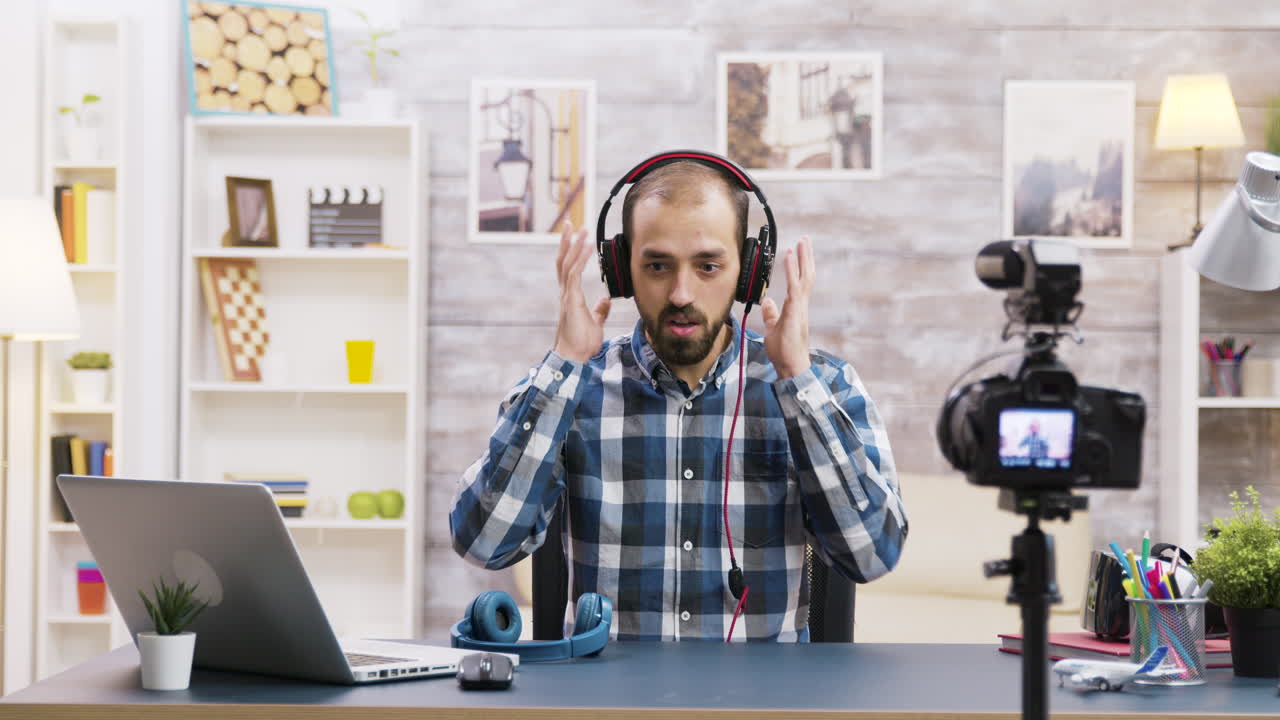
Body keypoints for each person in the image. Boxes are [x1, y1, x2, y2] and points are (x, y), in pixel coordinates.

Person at [450, 156, 907, 641]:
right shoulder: (570, 387)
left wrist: (796, 378)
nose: (682, 293)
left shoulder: (821, 385)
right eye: (658, 266)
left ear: (750, 272)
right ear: (622, 271)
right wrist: (563, 363)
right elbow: (483, 543)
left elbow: (873, 555)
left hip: (764, 707)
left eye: (708, 265)